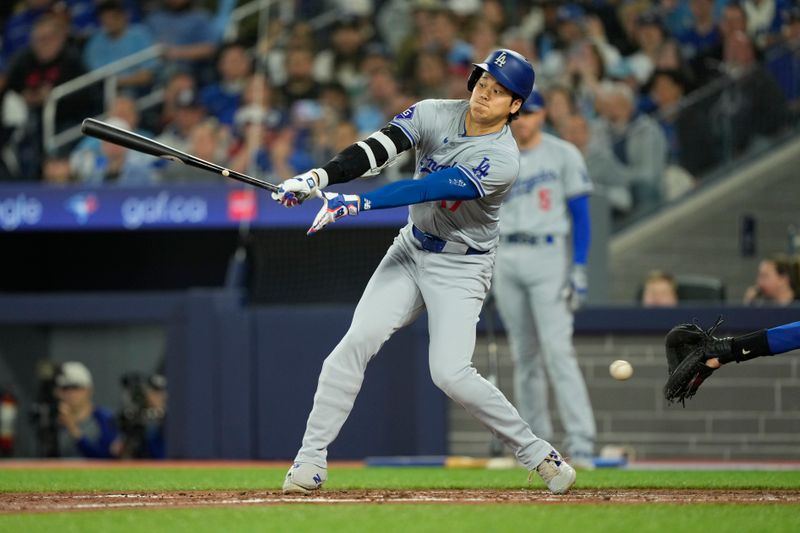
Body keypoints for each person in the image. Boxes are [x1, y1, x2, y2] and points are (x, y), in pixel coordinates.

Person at [272, 49, 577, 495]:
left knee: (450, 373)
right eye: (482, 83)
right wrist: (319, 177)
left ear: (515, 106)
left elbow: (430, 186)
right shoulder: (435, 112)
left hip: (462, 265)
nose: (484, 95)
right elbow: (378, 147)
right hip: (411, 248)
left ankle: (537, 453)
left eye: (498, 92)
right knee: (355, 342)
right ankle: (309, 461)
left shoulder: (504, 159)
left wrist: (360, 202)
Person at [492, 88, 596, 470]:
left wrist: (579, 267)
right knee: (525, 356)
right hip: (506, 254)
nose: (525, 120)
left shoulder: (563, 153)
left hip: (549, 253)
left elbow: (581, 217)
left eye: (532, 113)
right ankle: (535, 449)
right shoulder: (498, 153)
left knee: (557, 351)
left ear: (543, 115)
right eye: (520, 114)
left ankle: (582, 443)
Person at [54, 361, 120, 459]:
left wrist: (74, 430)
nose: (71, 393)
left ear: (89, 390)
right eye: (65, 388)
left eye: (76, 387)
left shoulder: (104, 418)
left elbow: (107, 457)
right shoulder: (53, 421)